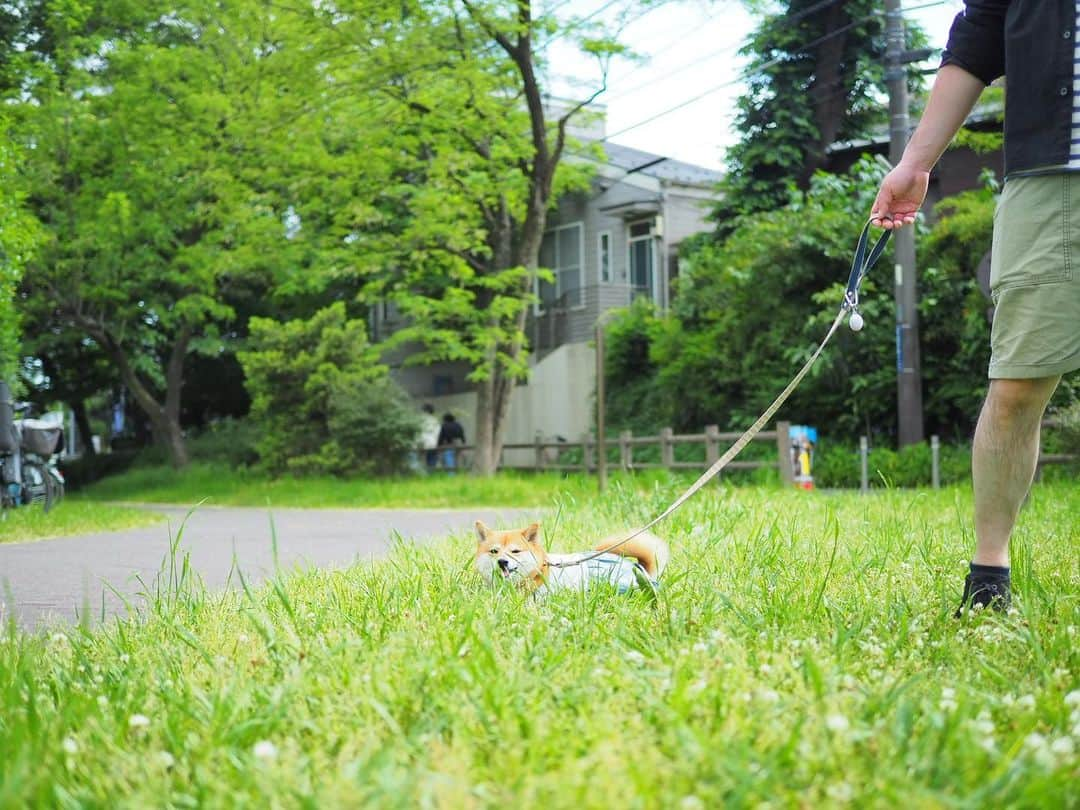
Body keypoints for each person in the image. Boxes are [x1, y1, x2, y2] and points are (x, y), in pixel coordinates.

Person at [870, 0, 1080, 614]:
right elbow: (978, 38)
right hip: (1049, 176)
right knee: (1018, 384)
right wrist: (914, 163)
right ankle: (990, 577)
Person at [419, 404, 440, 471]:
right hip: (433, 444)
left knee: (422, 462)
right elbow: (438, 433)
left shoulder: (420, 420)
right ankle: (431, 476)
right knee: (432, 462)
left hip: (423, 444)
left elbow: (419, 433)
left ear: (425, 411)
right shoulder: (435, 420)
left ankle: (425, 476)